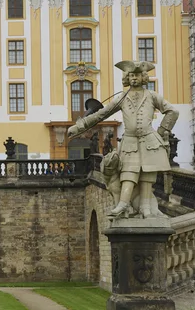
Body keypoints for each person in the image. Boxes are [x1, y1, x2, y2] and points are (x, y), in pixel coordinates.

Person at [68, 61, 179, 219]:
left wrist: (162, 131)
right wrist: (78, 127)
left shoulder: (152, 96)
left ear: (143, 77)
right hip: (130, 141)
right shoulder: (122, 98)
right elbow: (101, 114)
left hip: (149, 140)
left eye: (137, 75)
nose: (134, 78)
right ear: (127, 77)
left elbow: (173, 112)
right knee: (128, 173)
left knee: (147, 175)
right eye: (131, 75)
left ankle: (146, 209)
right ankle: (123, 204)